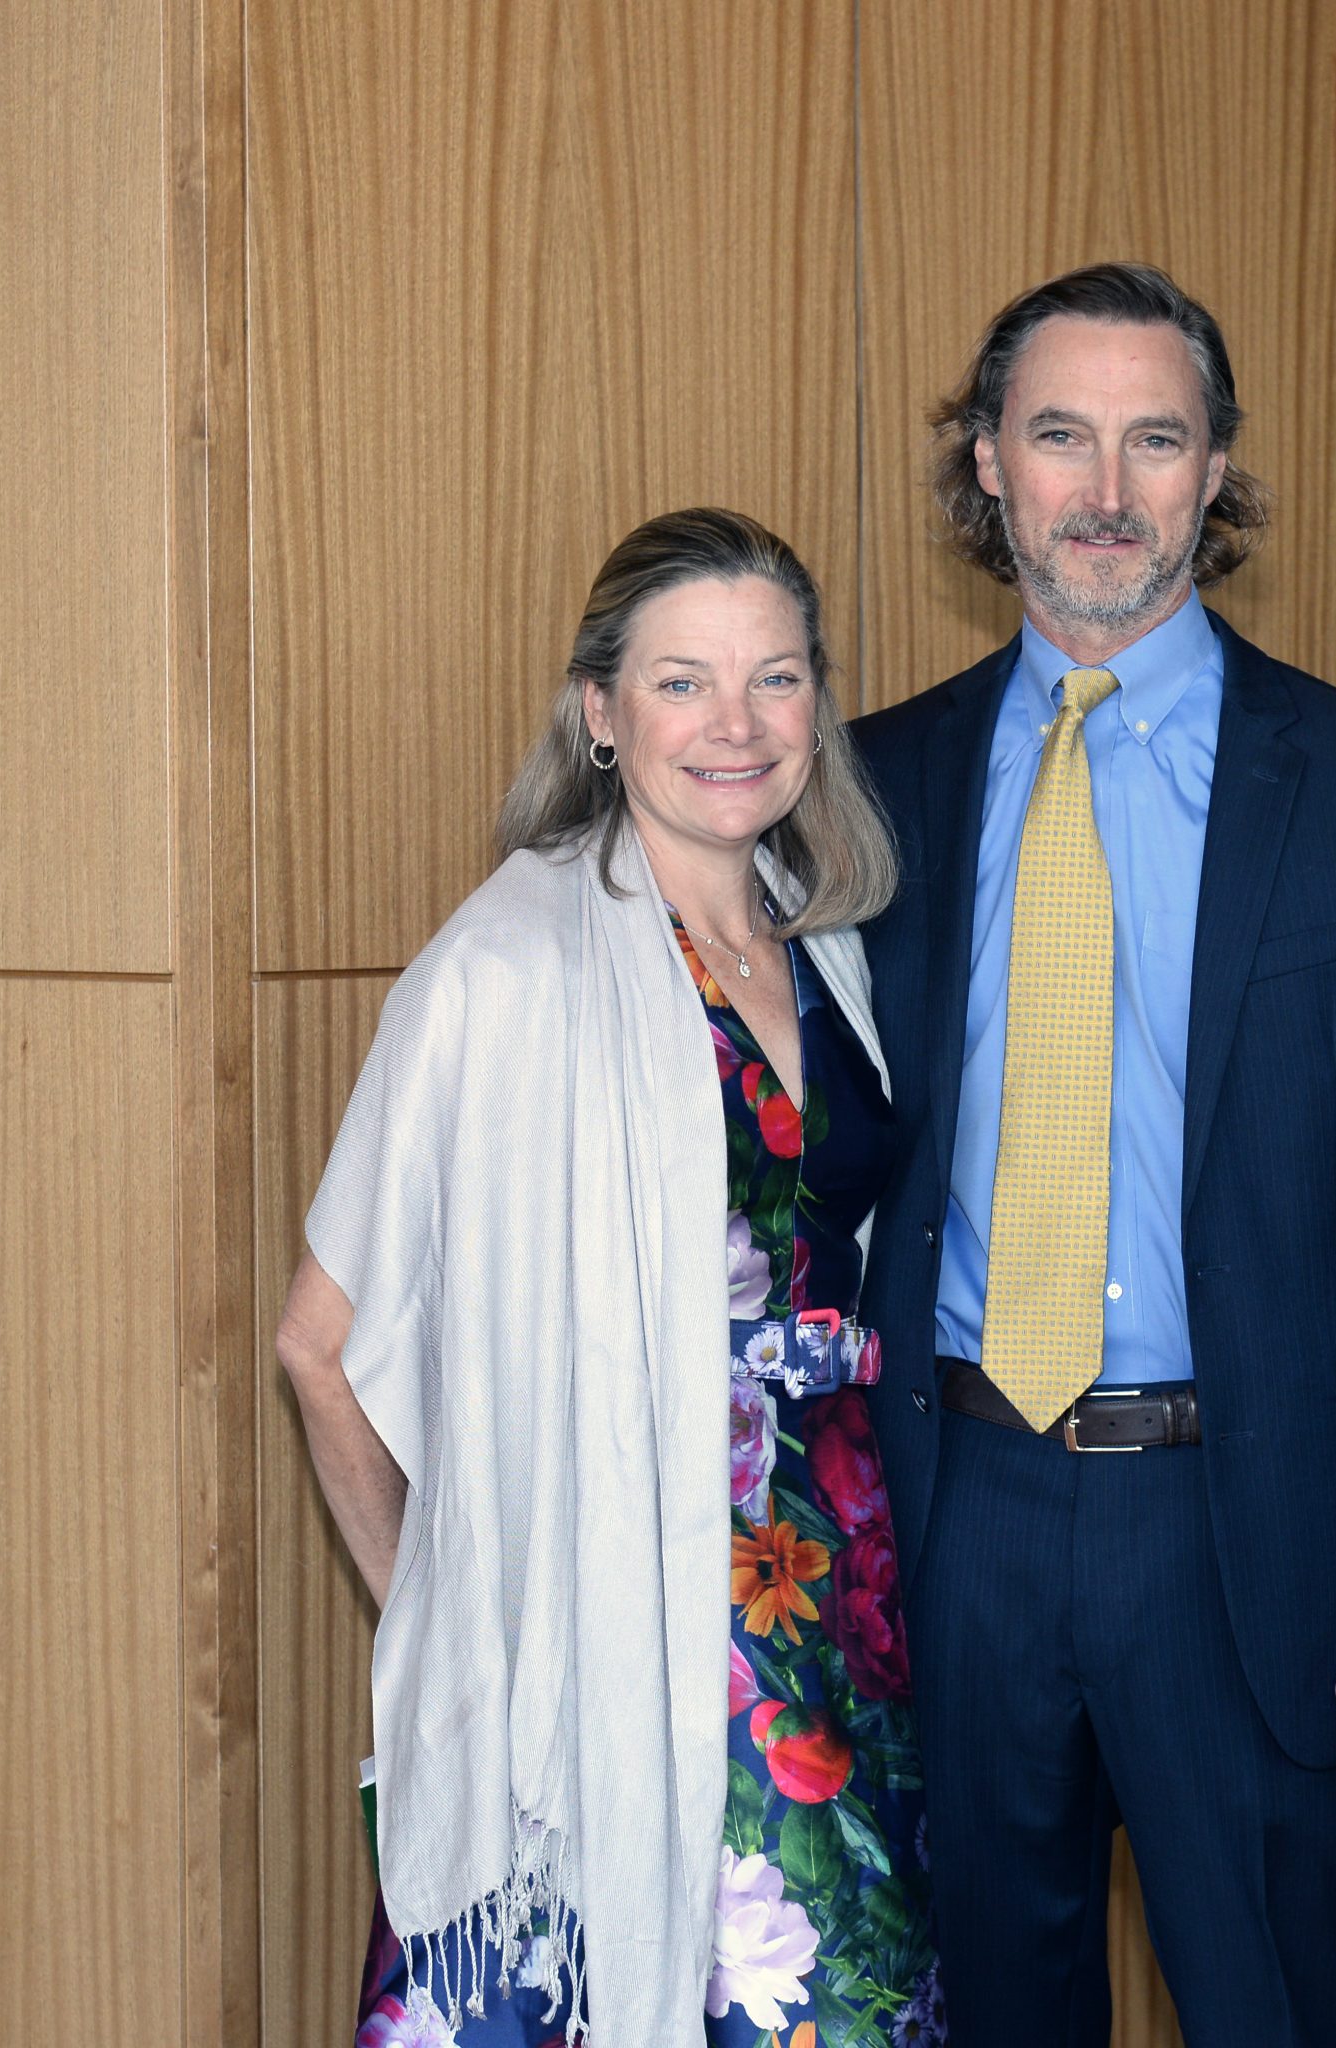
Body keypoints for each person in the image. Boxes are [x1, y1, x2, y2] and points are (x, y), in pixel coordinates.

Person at [848, 261, 1336, 2045]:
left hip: (1249, 1533)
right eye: (1059, 435)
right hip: (957, 1514)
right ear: (988, 463)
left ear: (1215, 471)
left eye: (1156, 440)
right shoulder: (869, 790)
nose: (1106, 489)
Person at [276, 509, 943, 2046]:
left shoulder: (832, 944)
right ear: (599, 712)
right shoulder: (504, 970)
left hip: (843, 1602)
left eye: (777, 679)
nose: (736, 724)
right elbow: (323, 1342)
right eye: (682, 682)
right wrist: (464, 1621)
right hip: (618, 1629)